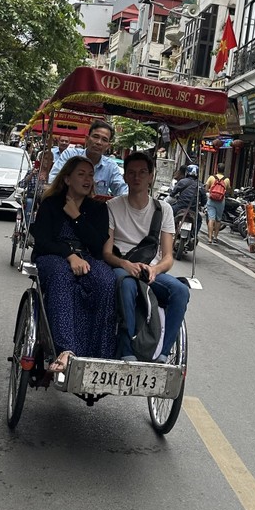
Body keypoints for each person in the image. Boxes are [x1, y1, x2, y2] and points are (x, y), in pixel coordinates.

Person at [31, 156, 117, 373]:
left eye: (90, 175)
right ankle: (66, 350)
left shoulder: (98, 209)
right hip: (53, 256)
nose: (87, 179)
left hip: (87, 257)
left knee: (106, 280)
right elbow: (42, 240)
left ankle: (101, 354)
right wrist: (69, 255)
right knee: (61, 275)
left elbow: (98, 245)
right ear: (67, 179)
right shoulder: (51, 204)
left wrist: (77, 217)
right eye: (81, 174)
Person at [104, 152, 190, 362]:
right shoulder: (112, 206)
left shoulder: (164, 209)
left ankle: (162, 352)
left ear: (151, 176)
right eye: (132, 173)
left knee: (180, 291)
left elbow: (168, 257)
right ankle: (127, 350)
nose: (137, 177)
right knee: (127, 286)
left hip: (150, 269)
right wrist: (125, 264)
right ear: (125, 177)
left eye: (143, 172)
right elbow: (106, 252)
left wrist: (155, 269)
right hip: (122, 265)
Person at [49, 119, 128, 198]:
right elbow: (53, 180)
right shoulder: (70, 155)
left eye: (104, 140)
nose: (99, 142)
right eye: (95, 137)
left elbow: (122, 189)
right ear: (87, 139)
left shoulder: (111, 166)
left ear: (108, 146)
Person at [167, 164, 206, 239]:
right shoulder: (200, 185)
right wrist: (202, 205)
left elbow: (173, 193)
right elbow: (204, 200)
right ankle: (194, 236)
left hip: (179, 207)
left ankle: (168, 232)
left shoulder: (182, 182)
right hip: (193, 210)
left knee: (169, 213)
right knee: (199, 220)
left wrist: (172, 194)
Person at [18, 149, 54, 225]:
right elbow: (22, 185)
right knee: (29, 202)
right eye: (46, 158)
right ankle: (30, 225)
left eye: (50, 159)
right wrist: (31, 175)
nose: (48, 161)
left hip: (47, 197)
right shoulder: (34, 171)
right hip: (33, 196)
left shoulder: (53, 174)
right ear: (41, 159)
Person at [205, 168, 230, 245]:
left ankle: (209, 238)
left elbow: (206, 188)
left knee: (211, 219)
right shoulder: (226, 180)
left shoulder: (211, 177)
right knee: (218, 219)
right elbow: (228, 190)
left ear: (216, 169)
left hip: (211, 200)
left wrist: (210, 192)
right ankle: (215, 237)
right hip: (221, 201)